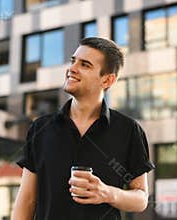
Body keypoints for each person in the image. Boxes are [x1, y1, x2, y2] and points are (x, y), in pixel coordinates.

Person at [12, 37, 155, 220]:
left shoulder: (129, 130)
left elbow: (141, 198)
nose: (72, 68)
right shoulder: (40, 128)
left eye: (85, 65)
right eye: (73, 61)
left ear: (107, 80)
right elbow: (26, 200)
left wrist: (106, 192)